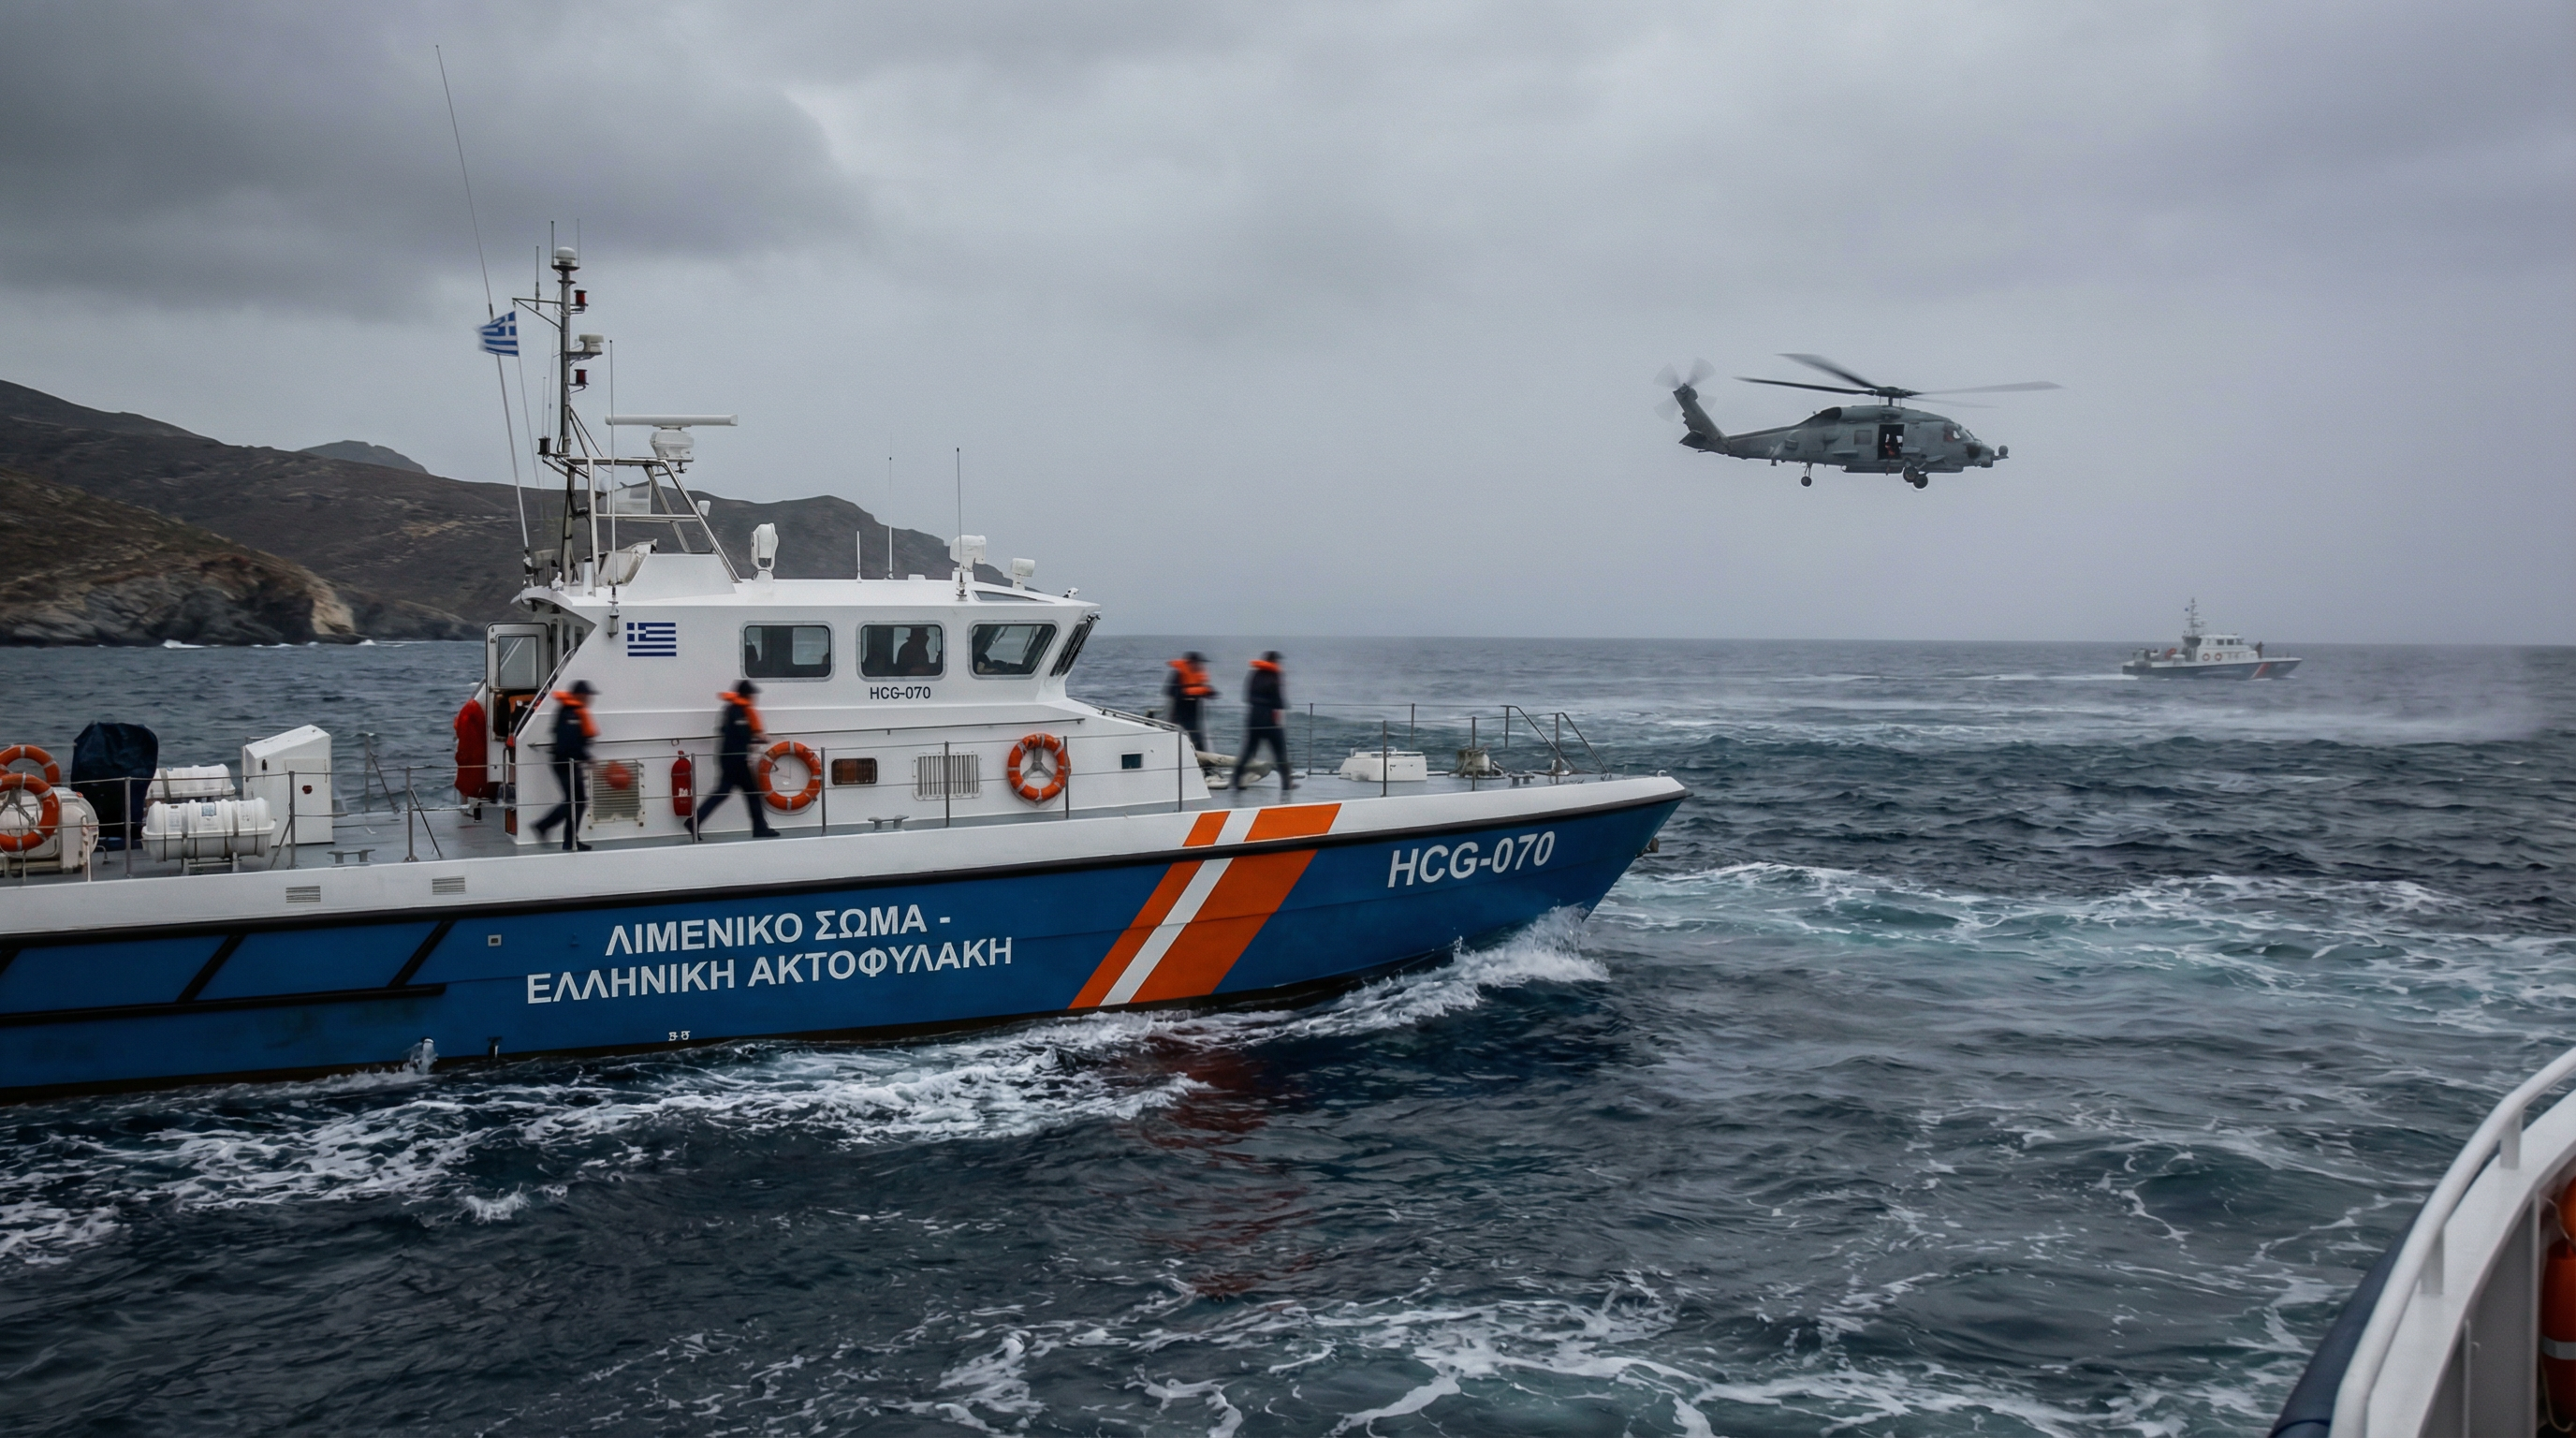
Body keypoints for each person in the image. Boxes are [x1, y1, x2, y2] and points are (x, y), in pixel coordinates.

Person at [690, 680, 780, 839]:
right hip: (736, 761)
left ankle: (694, 822)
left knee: (722, 793)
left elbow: (730, 733)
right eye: (752, 694)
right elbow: (740, 735)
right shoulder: (739, 711)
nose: (754, 697)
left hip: (729, 759)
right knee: (752, 793)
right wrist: (761, 739)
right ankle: (760, 828)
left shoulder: (730, 709)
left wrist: (752, 741)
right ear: (747, 695)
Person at [530, 679, 597, 851]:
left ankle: (569, 840)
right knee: (575, 801)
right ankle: (545, 827)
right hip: (565, 762)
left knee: (575, 801)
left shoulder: (572, 711)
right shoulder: (570, 714)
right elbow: (569, 743)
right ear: (580, 695)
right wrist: (586, 757)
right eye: (588, 695)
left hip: (569, 762)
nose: (590, 699)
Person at [1231, 652, 1292, 792]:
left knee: (1247, 752)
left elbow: (1248, 697)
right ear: (1274, 661)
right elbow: (1278, 700)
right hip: (1270, 722)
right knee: (1280, 752)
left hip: (1253, 720)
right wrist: (1281, 705)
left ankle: (1236, 779)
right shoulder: (1274, 676)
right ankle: (1286, 784)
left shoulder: (1255, 675)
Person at [1164, 651, 1216, 755]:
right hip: (1178, 714)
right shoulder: (1178, 674)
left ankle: (1204, 767)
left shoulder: (1197, 675)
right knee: (1174, 739)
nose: (1199, 665)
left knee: (1198, 740)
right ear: (1190, 663)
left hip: (1193, 715)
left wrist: (1209, 692)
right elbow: (1170, 691)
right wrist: (1187, 693)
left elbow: (1206, 690)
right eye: (1197, 662)